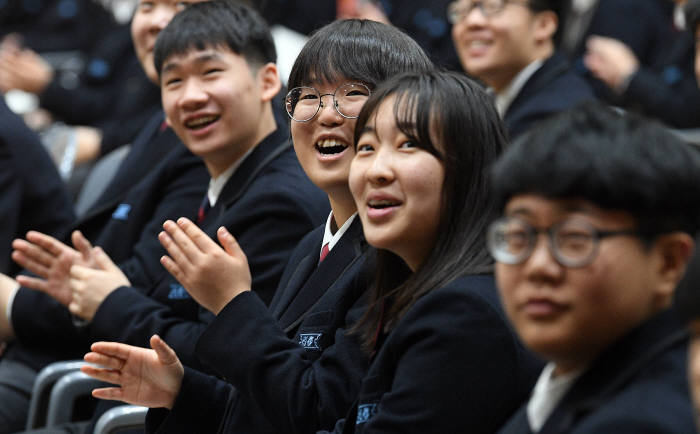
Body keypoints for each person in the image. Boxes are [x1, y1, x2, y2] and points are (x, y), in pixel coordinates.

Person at [81, 17, 434, 434]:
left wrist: (232, 302)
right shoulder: (311, 244)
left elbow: (319, 412)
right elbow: (270, 399)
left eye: (352, 94)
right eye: (308, 96)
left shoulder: (396, 254)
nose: (325, 114)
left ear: (410, 117)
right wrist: (181, 389)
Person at [0, 0, 329, 432]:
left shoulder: (278, 201)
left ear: (268, 80)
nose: (191, 96)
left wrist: (108, 300)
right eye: (173, 80)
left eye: (210, 73)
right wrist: (86, 287)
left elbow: (225, 355)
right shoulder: (219, 168)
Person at [490, 103, 700, 433]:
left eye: (575, 237)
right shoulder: (577, 370)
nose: (539, 266)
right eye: (520, 234)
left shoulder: (642, 423)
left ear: (669, 262)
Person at [449, 0, 594, 138]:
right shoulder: (491, 102)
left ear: (543, 25)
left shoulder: (557, 119)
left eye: (493, 5)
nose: (472, 21)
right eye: (462, 10)